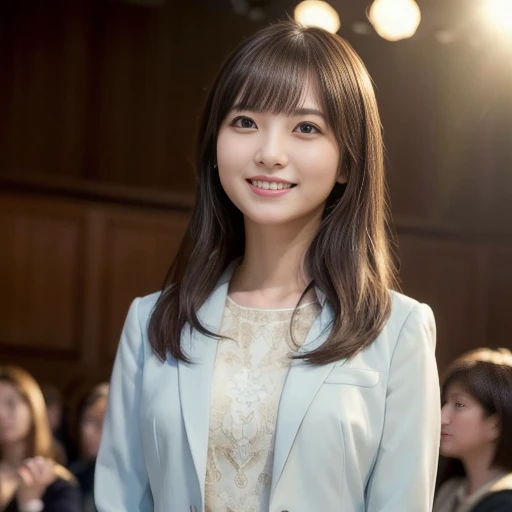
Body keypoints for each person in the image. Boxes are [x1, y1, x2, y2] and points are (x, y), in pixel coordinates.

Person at [95, 20, 440, 512]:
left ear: (347, 163)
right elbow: (119, 501)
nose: (269, 153)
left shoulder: (396, 331)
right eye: (245, 122)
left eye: (306, 128)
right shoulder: (152, 323)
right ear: (215, 146)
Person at [434, 348, 512, 512]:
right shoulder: (450, 492)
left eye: (459, 405)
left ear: (496, 423)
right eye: (444, 403)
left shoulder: (505, 502)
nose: (441, 418)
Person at [0, 366, 83, 512]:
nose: (1, 414)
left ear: (32, 409)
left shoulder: (58, 485)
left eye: (11, 403)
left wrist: (30, 504)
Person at [70, 383, 109, 512]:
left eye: (100, 422)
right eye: (86, 420)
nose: (87, 431)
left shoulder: (142, 481)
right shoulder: (72, 477)